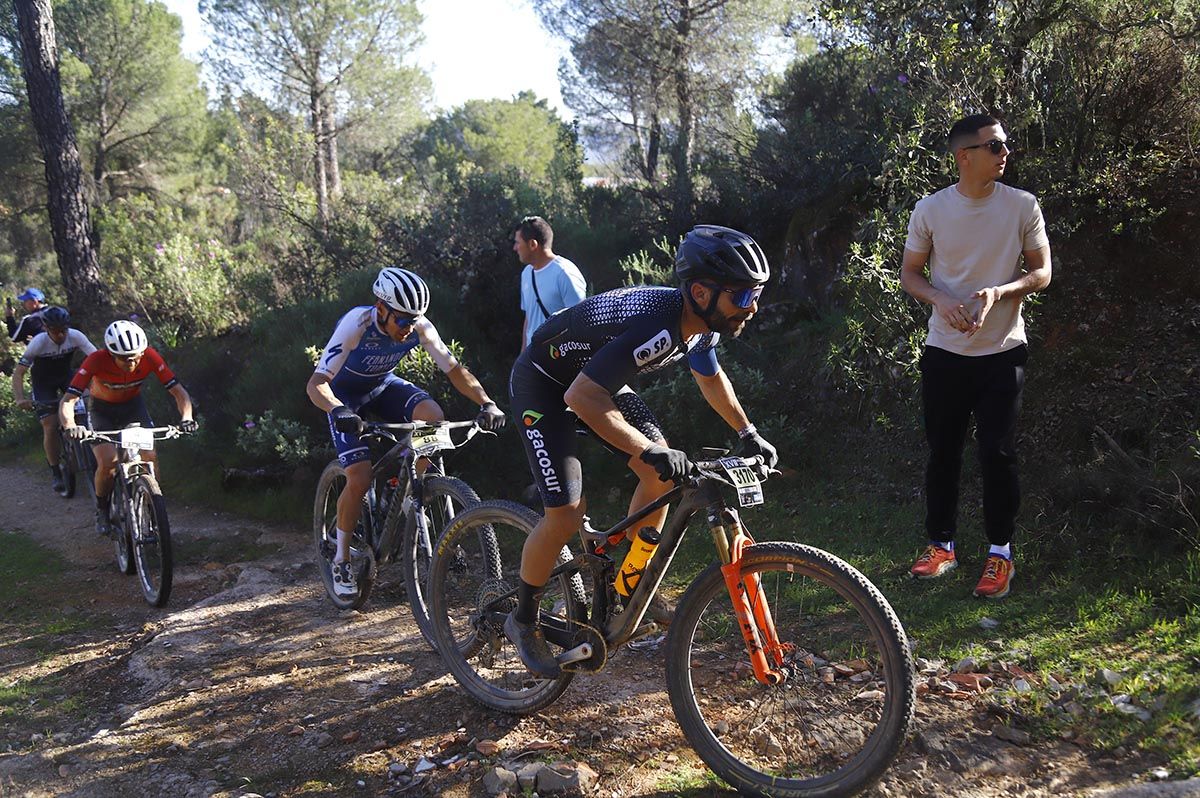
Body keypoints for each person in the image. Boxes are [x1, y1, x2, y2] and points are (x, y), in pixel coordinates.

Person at [505, 224, 779, 677]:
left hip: (592, 382)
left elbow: (710, 379)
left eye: (755, 295)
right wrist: (646, 448)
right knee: (566, 515)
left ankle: (627, 582)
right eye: (742, 296)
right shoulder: (659, 325)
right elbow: (580, 398)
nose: (750, 308)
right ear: (700, 291)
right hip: (544, 388)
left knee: (662, 474)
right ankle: (524, 618)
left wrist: (747, 431)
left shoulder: (701, 324)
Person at [900, 113, 1052, 600]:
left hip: (1003, 353)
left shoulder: (1023, 205)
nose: (1006, 152)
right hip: (944, 352)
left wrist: (999, 293)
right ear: (965, 156)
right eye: (996, 145)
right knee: (943, 453)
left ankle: (1000, 554)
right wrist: (940, 299)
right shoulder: (930, 209)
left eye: (1004, 144)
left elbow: (1042, 272)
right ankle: (941, 546)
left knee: (997, 453)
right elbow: (911, 274)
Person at [306, 266, 508, 598]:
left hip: (383, 387)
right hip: (344, 398)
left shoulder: (419, 326)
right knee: (358, 477)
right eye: (402, 320)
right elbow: (316, 384)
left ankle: (405, 491)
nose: (409, 327)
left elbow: (455, 370)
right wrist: (338, 409)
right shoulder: (356, 325)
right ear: (381, 309)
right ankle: (341, 558)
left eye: (414, 320)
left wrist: (487, 402)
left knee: (432, 417)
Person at [59, 320, 197, 535]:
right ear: (111, 353)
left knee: (149, 455)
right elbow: (68, 400)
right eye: (124, 358)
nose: (131, 363)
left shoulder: (150, 356)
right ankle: (102, 509)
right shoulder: (95, 360)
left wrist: (187, 417)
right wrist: (70, 425)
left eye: (135, 356)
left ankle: (153, 505)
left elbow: (178, 391)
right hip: (101, 411)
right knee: (108, 462)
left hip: (133, 409)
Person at [11, 307, 96, 493]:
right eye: (55, 331)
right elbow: (19, 373)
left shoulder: (76, 336)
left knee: (85, 412)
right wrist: (20, 398)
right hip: (43, 382)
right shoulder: (38, 343)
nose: (60, 335)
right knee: (49, 425)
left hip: (67, 377)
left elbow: (97, 359)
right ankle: (56, 470)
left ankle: (92, 455)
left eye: (63, 330)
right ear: (46, 328)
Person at [514, 215, 587, 350]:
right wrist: (522, 356)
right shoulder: (526, 274)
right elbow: (529, 319)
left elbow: (580, 322)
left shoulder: (564, 273)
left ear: (532, 244)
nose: (515, 248)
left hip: (559, 361)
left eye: (518, 243)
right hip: (532, 360)